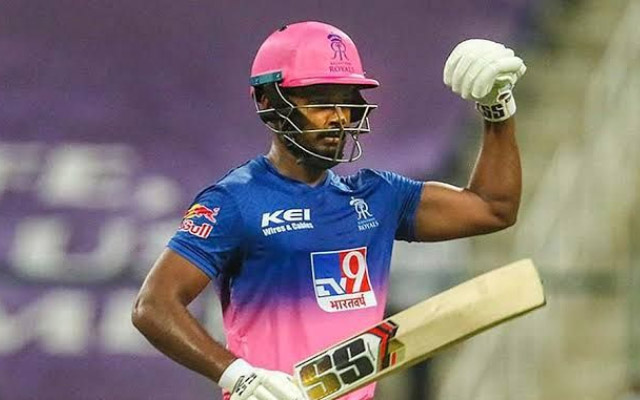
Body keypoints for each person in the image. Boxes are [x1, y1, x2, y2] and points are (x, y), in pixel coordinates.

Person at [132, 21, 526, 400]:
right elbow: (153, 305)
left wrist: (497, 108)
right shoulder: (235, 201)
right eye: (320, 100)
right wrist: (240, 376)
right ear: (268, 101)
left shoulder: (379, 197)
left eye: (347, 102)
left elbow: (494, 208)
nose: (338, 117)